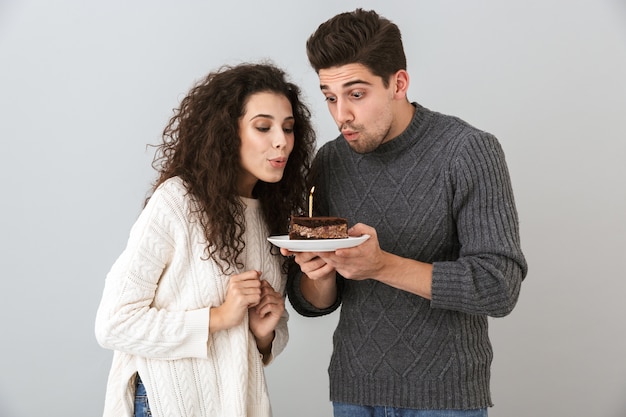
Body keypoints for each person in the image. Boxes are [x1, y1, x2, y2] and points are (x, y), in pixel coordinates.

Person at [282, 9, 528, 417]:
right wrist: (318, 275)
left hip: (446, 398)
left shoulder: (468, 151)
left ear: (399, 83)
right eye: (330, 96)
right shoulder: (330, 161)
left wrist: (380, 265)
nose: (341, 114)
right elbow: (312, 303)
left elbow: (498, 287)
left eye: (356, 94)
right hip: (353, 393)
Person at [95, 62, 316, 417]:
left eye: (289, 128)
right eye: (264, 126)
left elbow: (265, 334)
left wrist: (263, 334)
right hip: (167, 405)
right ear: (228, 132)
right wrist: (219, 317)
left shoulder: (272, 214)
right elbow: (113, 324)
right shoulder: (177, 201)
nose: (282, 141)